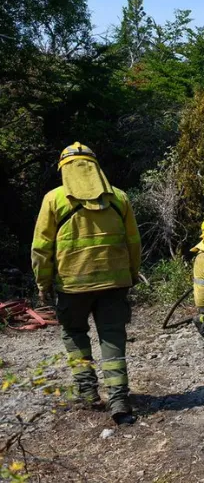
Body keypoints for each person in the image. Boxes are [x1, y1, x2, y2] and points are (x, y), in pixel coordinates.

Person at [31, 143, 141, 425]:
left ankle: (88, 393)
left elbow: (41, 248)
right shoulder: (119, 198)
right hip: (115, 283)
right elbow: (133, 243)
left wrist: (43, 283)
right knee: (112, 338)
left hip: (72, 286)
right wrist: (130, 274)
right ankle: (119, 400)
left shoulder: (54, 200)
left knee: (74, 333)